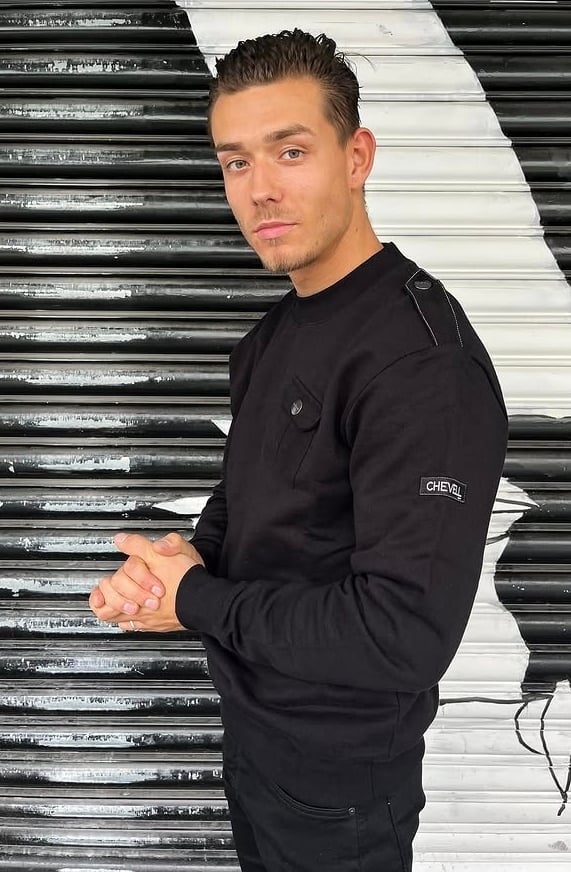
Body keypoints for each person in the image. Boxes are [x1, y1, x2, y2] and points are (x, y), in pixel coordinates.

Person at [89, 29, 509, 871]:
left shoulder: (423, 363)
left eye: (290, 150)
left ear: (357, 156)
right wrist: (177, 563)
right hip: (255, 741)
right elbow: (248, 504)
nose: (259, 190)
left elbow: (403, 633)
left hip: (340, 787)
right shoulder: (269, 337)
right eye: (235, 162)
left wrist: (197, 600)